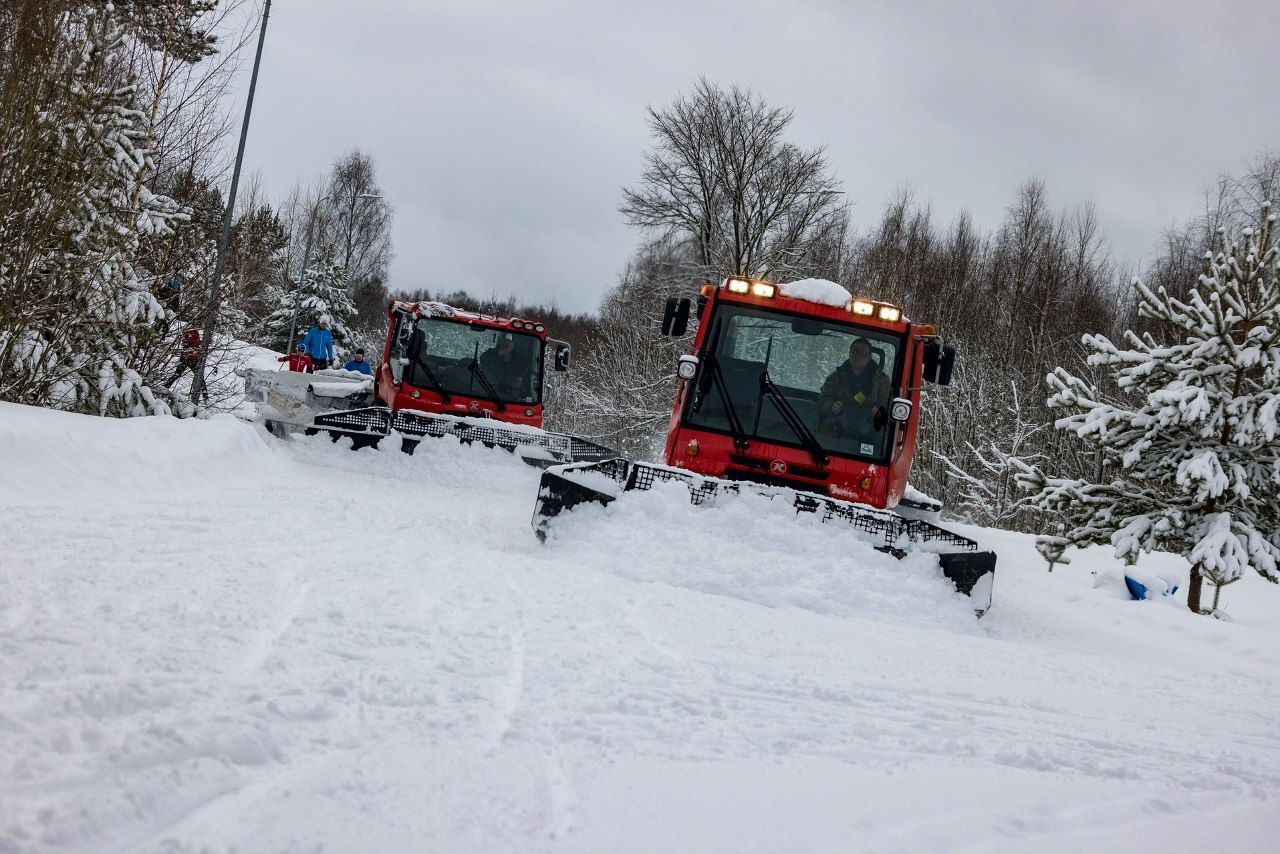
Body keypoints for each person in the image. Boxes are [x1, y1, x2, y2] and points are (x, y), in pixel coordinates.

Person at [817, 338, 893, 440]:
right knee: (825, 431)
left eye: (863, 353)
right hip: (838, 423)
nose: (857, 355)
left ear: (870, 357)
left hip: (870, 426)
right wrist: (831, 406)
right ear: (849, 354)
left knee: (883, 439)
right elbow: (821, 400)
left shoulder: (882, 380)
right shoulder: (836, 377)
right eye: (855, 351)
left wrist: (879, 412)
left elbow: (890, 407)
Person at [479, 333, 525, 398]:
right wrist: (497, 354)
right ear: (501, 345)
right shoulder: (491, 353)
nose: (505, 348)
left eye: (508, 346)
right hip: (488, 384)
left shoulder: (518, 359)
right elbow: (483, 360)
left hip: (510, 388)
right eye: (504, 345)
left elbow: (519, 372)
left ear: (512, 347)